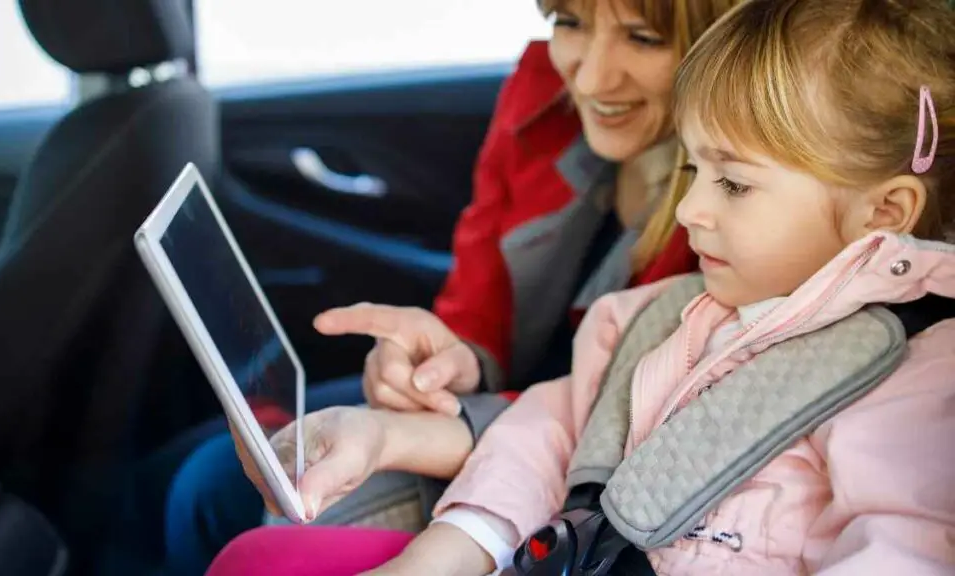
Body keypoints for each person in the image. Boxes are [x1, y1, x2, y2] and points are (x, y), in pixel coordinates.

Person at [206, 0, 955, 573]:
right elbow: (555, 429)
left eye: (730, 183)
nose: (691, 211)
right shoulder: (659, 317)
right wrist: (445, 547)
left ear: (883, 213)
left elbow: (901, 546)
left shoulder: (918, 380)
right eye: (693, 172)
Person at [163, 0, 737, 572]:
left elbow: (610, 427)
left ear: (725, 37)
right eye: (570, 23)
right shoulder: (542, 90)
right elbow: (479, 279)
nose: (590, 77)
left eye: (642, 39)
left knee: (216, 496)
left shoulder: (731, 221)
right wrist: (453, 357)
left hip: (561, 473)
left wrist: (404, 431)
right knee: (193, 469)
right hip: (490, 417)